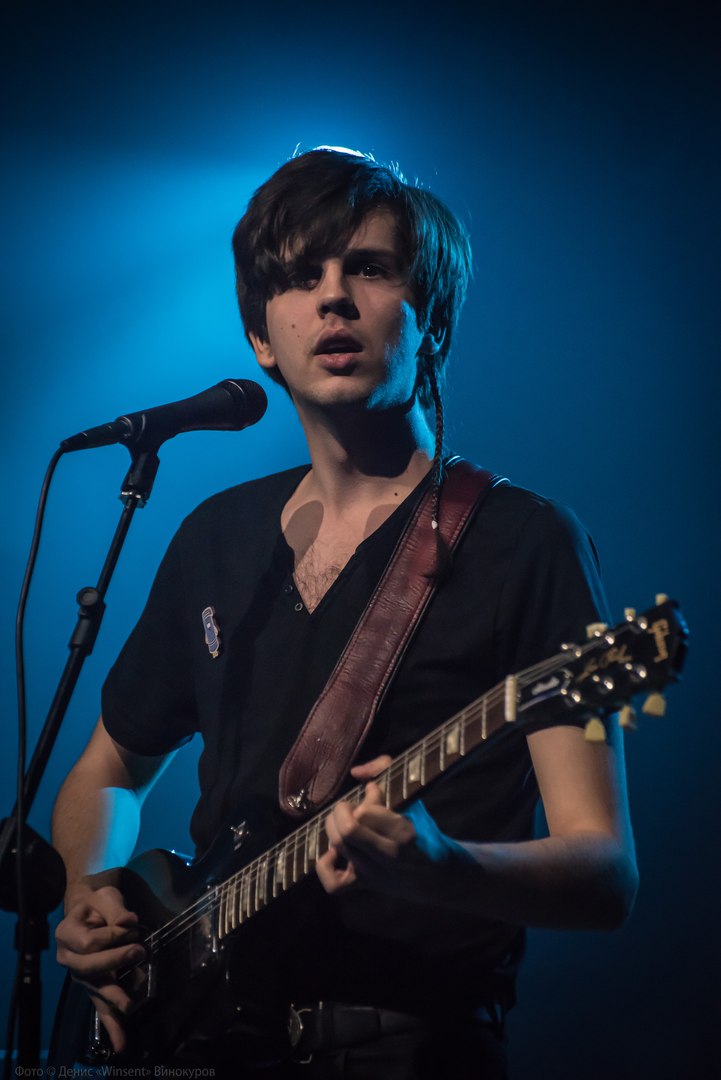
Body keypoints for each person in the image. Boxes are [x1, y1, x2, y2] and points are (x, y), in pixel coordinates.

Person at [51, 148, 639, 1079]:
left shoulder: (524, 541)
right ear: (260, 337)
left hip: (408, 1048)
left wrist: (446, 867)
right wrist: (90, 895)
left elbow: (604, 874)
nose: (331, 299)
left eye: (368, 268)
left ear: (429, 318)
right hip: (204, 1043)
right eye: (298, 277)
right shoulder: (215, 536)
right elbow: (106, 770)